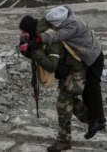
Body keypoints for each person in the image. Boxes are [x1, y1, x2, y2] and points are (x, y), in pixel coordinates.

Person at [19, 15, 89, 151]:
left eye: (24, 32)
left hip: (76, 70)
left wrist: (34, 49)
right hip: (68, 70)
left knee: (63, 104)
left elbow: (51, 66)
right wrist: (27, 50)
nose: (23, 35)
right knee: (70, 101)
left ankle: (64, 141)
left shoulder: (49, 37)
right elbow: (40, 55)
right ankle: (93, 120)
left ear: (30, 29)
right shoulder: (37, 36)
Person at [38, 6, 106, 139]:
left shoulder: (72, 25)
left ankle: (99, 120)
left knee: (93, 88)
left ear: (60, 22)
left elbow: (57, 36)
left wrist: (38, 39)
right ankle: (94, 119)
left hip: (94, 57)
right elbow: (45, 22)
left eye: (54, 24)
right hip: (86, 57)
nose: (52, 26)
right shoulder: (65, 17)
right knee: (87, 91)